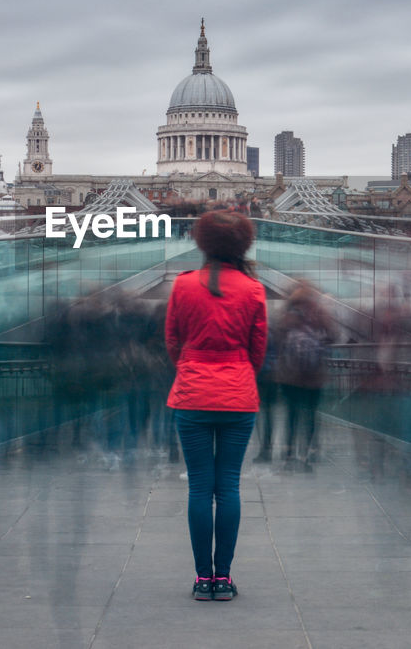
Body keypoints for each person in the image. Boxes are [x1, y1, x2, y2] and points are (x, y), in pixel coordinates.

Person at [165, 209, 267, 601]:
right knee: (228, 487)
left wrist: (192, 368)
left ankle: (201, 578)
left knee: (199, 488)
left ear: (202, 242)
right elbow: (258, 349)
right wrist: (238, 372)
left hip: (192, 395)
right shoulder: (253, 289)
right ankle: (223, 579)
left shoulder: (183, 285)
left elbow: (173, 340)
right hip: (238, 396)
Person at [274, 281, 334, 470]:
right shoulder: (319, 314)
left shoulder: (287, 315)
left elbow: (277, 340)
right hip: (314, 376)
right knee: (310, 416)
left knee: (292, 415)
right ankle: (306, 456)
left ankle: (289, 455)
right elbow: (333, 335)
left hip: (290, 376)